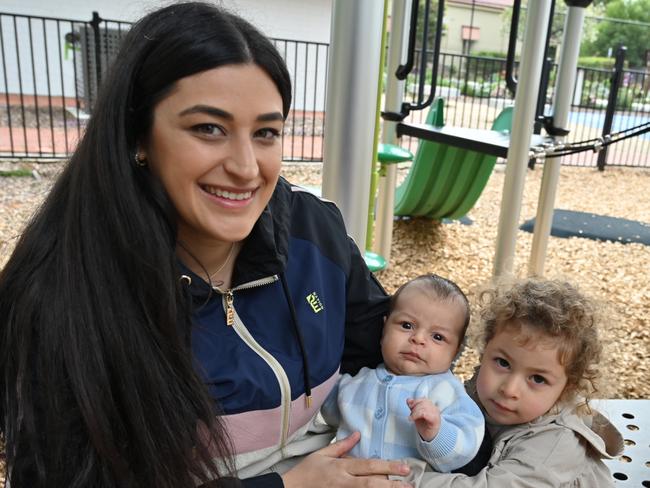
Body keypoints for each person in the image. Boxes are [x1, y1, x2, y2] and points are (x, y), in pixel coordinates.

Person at [0, 3, 414, 487]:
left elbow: (392, 363)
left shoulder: (312, 231)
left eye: (265, 133)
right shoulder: (59, 300)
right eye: (209, 129)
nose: (245, 166)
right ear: (138, 136)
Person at [392, 277, 624, 488]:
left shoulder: (556, 444)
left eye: (538, 379)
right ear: (485, 351)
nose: (509, 389)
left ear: (567, 388)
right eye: (503, 363)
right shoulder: (476, 393)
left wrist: (399, 475)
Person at [321, 274, 486, 474]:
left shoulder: (446, 390)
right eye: (407, 325)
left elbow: (466, 447)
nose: (418, 339)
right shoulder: (355, 383)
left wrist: (436, 432)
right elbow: (317, 405)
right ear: (384, 329)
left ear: (455, 351)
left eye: (437, 337)